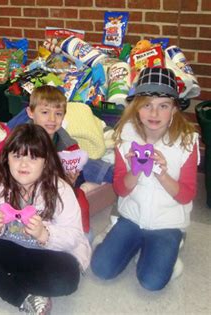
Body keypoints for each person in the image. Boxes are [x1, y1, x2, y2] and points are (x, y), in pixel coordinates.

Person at [0, 124, 91, 315]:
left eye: (33, 157)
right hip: (12, 247)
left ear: (46, 161)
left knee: (68, 279)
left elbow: (74, 236)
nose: (23, 164)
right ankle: (21, 296)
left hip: (48, 254)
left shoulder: (60, 189)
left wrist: (45, 234)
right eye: (17, 156)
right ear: (7, 158)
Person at [91, 67, 199, 291]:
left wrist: (161, 173)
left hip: (167, 222)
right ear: (136, 106)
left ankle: (170, 245)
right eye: (147, 104)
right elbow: (121, 189)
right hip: (132, 217)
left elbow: (187, 194)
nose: (154, 113)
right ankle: (124, 237)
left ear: (175, 110)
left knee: (152, 282)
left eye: (163, 106)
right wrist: (136, 169)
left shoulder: (187, 142)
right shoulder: (125, 136)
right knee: (101, 268)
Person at [26, 85, 113, 233]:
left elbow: (75, 167)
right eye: (45, 112)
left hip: (62, 182)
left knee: (83, 184)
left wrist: (71, 180)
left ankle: (82, 233)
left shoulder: (66, 142)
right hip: (33, 189)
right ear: (31, 113)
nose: (52, 119)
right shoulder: (22, 141)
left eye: (58, 114)